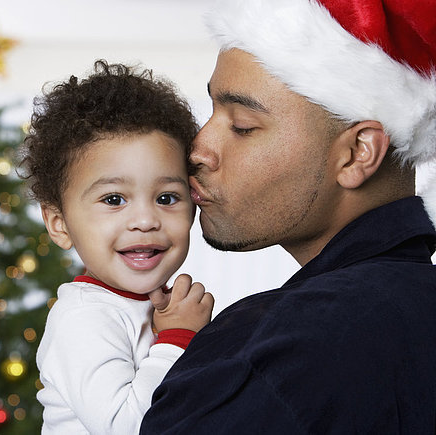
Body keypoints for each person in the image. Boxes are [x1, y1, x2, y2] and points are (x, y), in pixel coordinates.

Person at [141, 0, 436, 433]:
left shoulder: (270, 350)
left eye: (242, 125)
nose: (198, 150)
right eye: (211, 112)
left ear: (358, 153)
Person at [19, 60, 214, 434]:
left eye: (167, 197)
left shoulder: (155, 307)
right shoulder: (82, 317)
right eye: (113, 200)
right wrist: (177, 338)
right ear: (59, 224)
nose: (145, 219)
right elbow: (128, 426)